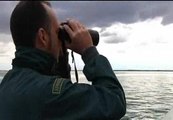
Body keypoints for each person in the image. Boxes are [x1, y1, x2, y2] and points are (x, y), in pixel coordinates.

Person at [0, 1, 126, 120]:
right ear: (43, 37)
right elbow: (114, 100)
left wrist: (60, 58)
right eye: (57, 33)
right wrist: (89, 51)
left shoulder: (7, 83)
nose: (60, 39)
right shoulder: (49, 94)